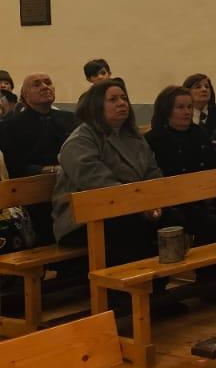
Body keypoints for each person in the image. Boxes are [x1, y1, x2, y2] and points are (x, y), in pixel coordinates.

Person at [52, 80, 163, 262]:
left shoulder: (133, 137)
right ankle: (124, 287)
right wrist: (139, 205)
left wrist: (155, 202)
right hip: (83, 218)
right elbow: (98, 183)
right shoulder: (80, 141)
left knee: (174, 218)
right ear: (97, 106)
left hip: (130, 208)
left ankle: (159, 284)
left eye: (124, 98)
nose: (122, 103)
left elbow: (152, 171)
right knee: (133, 229)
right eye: (113, 99)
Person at [146, 84, 216, 244]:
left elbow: (214, 165)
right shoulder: (155, 138)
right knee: (202, 222)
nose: (187, 112)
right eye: (180, 107)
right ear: (166, 110)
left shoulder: (199, 132)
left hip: (206, 196)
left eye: (189, 107)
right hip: (175, 202)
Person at [0, 75, 76, 243]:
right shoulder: (11, 126)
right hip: (33, 196)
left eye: (48, 83)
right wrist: (48, 170)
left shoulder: (70, 119)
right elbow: (15, 166)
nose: (45, 86)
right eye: (37, 85)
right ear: (25, 96)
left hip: (70, 190)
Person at [182, 72, 216, 137]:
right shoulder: (182, 115)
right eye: (198, 87)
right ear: (187, 91)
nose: (204, 89)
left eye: (207, 87)